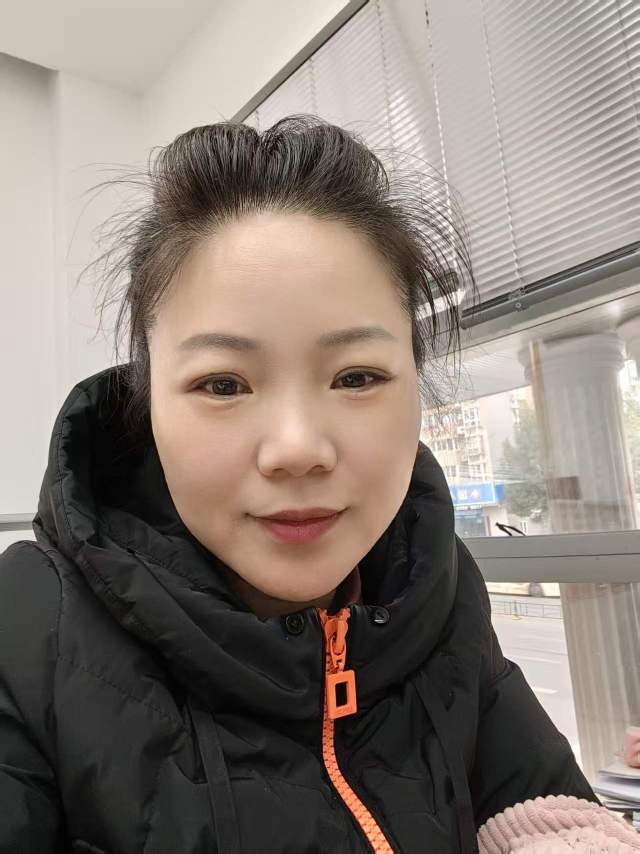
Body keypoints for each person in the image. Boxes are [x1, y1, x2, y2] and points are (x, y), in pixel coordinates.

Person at [1, 115, 637, 853]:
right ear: (148, 409)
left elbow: (544, 810)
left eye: (356, 377)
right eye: (223, 383)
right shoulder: (25, 629)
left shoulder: (433, 588)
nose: (297, 449)